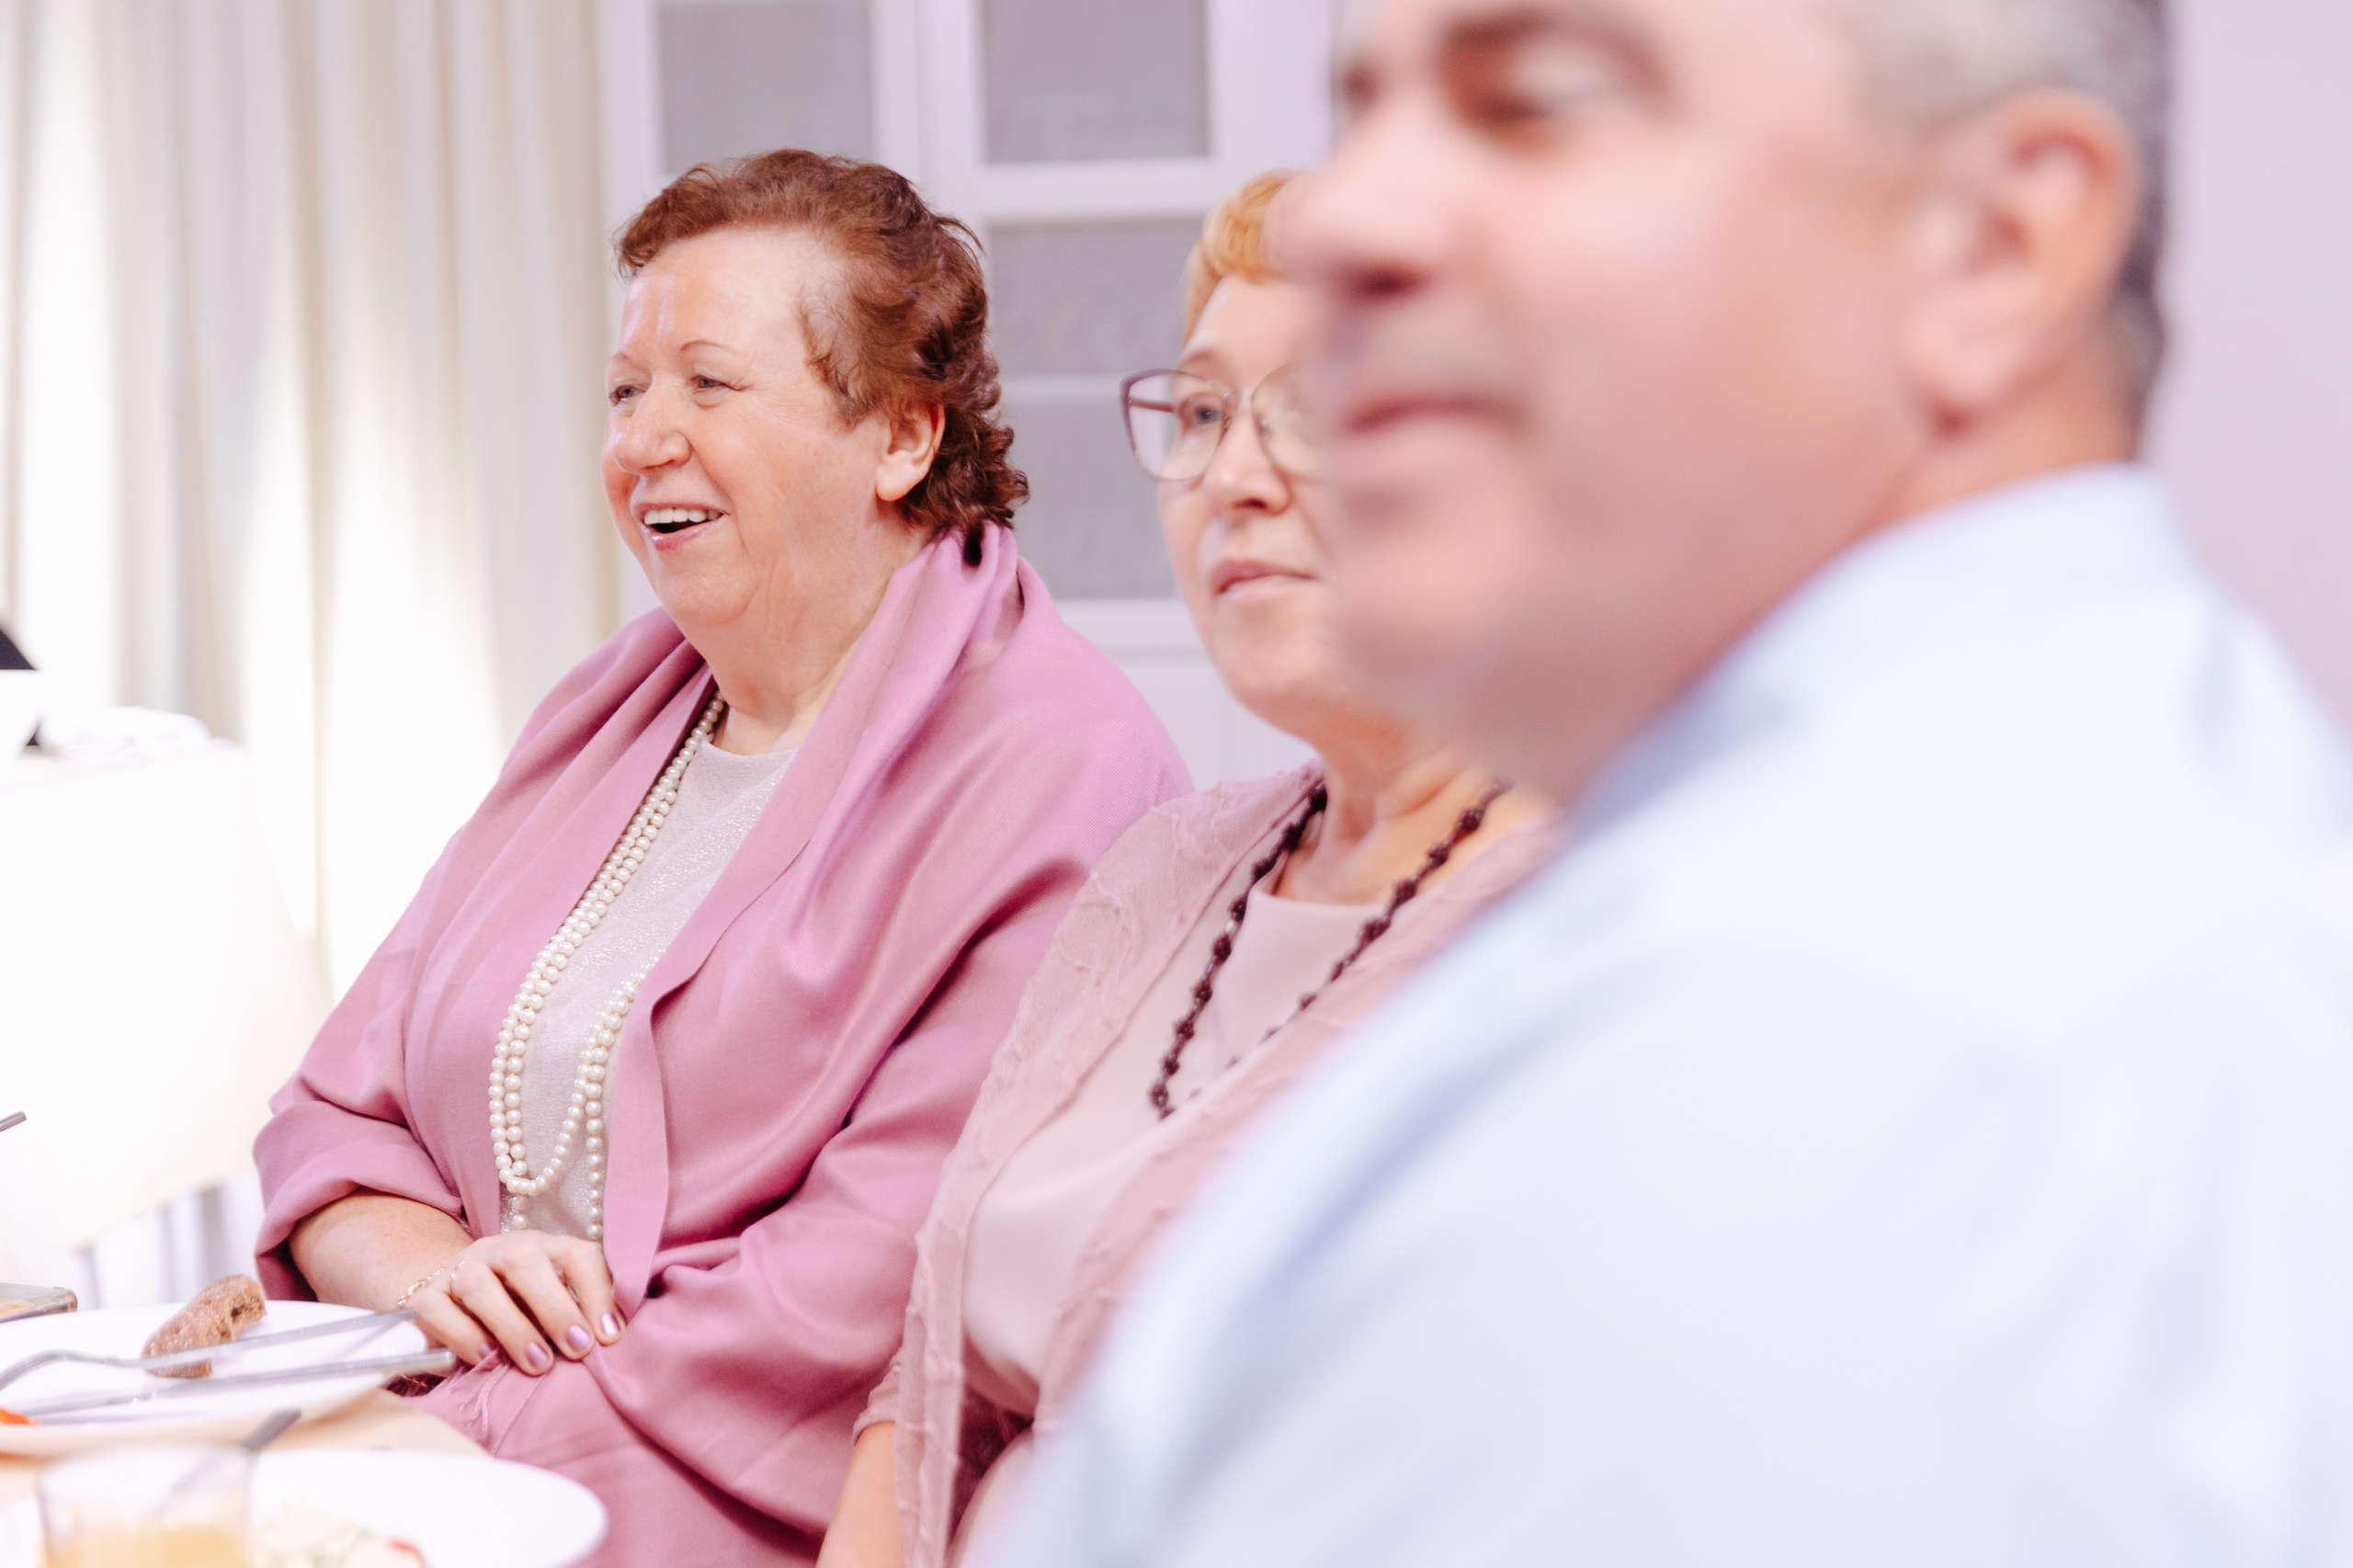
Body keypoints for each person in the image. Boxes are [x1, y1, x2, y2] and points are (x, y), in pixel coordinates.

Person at [998, 1, 2353, 1564]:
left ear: (1996, 244)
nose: (1351, 211)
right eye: (1362, 105)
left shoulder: (1841, 1061)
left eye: (1542, 103)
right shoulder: (2051, 849)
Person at [253, 150, 1188, 1566]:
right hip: (427, 1448)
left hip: (701, 1508)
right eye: (628, 391)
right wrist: (443, 1280)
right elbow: (333, 1120)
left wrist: (448, 1447)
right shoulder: (610, 707)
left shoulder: (1060, 761)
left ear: (902, 437)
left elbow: (866, 1288)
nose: (644, 440)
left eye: (710, 383)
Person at [815, 173, 1547, 1568]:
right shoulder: (1170, 868)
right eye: (1203, 413)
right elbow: (922, 1384)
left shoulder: (1581, 946)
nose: (1235, 475)